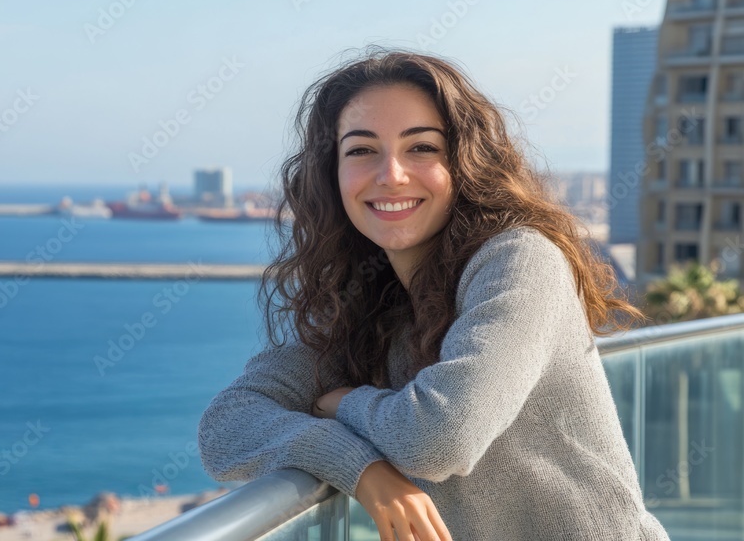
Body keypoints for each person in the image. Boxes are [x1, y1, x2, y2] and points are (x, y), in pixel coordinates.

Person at [196, 47, 671, 541]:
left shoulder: (519, 260)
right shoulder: (365, 306)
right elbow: (224, 428)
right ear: (331, 173)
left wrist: (342, 403)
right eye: (361, 150)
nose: (391, 174)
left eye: (421, 147)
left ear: (464, 161)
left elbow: (442, 437)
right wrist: (362, 471)